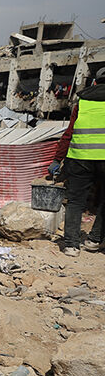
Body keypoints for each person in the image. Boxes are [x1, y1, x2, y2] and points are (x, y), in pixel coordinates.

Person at [49, 67, 105, 255]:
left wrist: (57, 159)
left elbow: (69, 133)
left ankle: (71, 245)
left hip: (80, 157)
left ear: (94, 82)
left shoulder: (82, 103)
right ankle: (94, 240)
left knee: (75, 201)